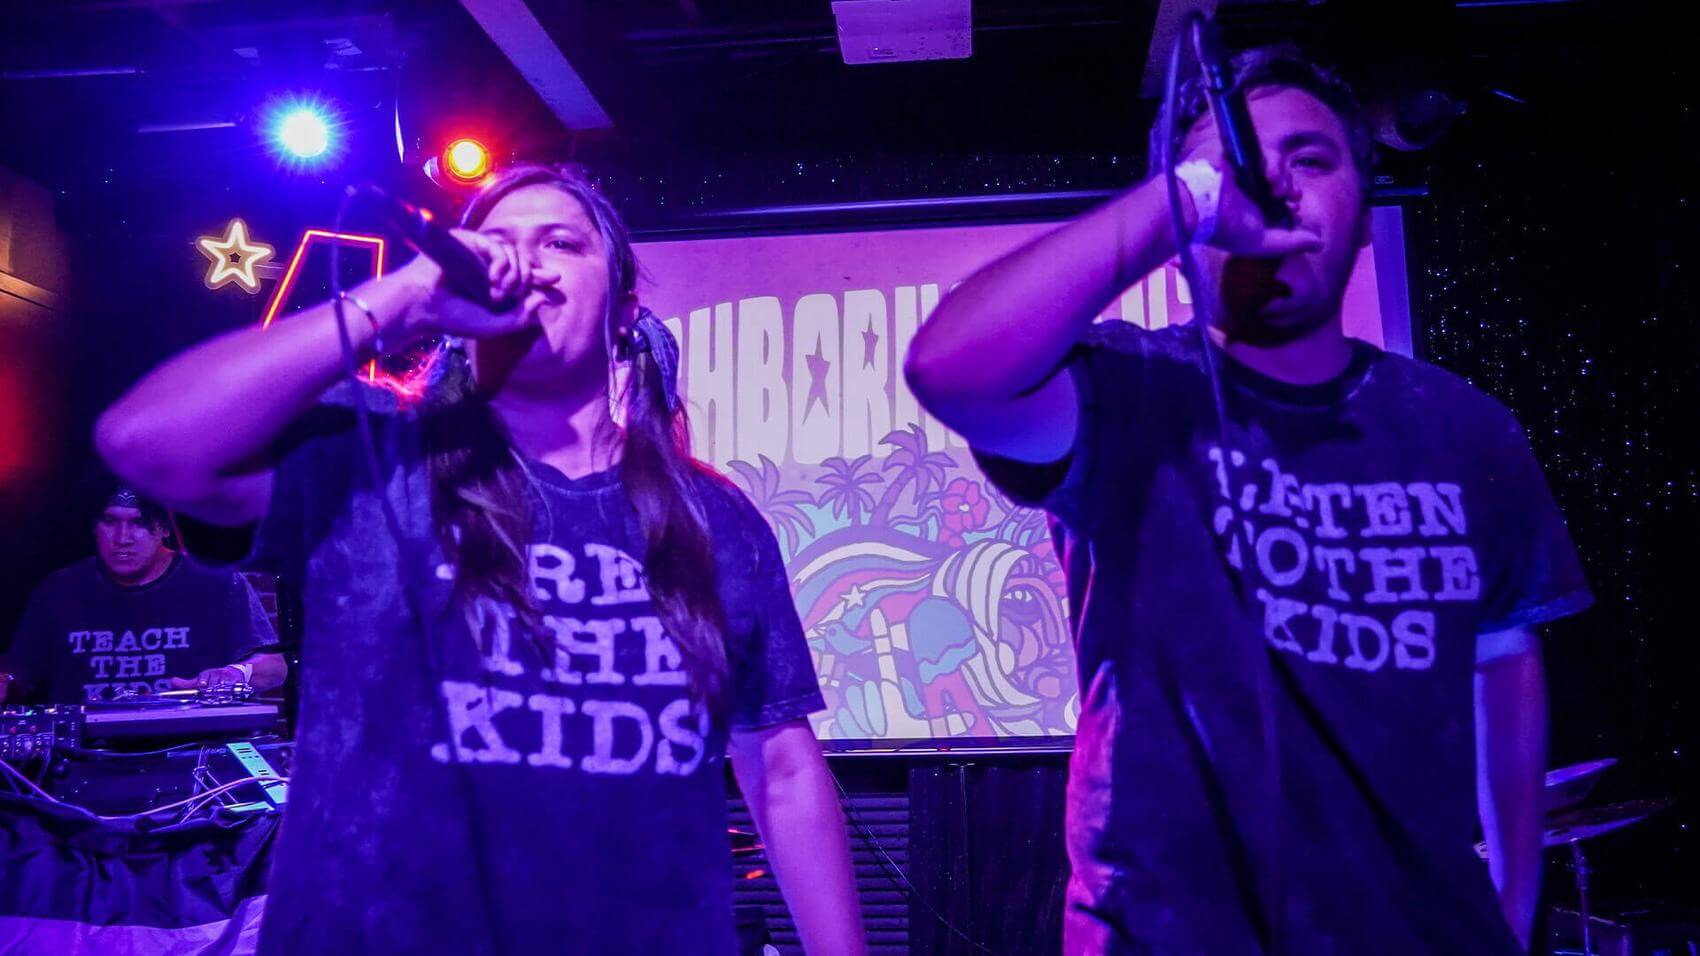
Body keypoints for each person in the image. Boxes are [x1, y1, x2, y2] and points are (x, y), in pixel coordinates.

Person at [904, 46, 1590, 955]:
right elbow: (949, 369)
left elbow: (1505, 661)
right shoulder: (1126, 390)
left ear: (1364, 199)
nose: (1276, 187)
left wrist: (1511, 903)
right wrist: (1187, 194)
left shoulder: (1468, 431)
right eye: (1237, 165)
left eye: (1311, 160)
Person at [95, 163, 865, 954]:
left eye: (560, 243)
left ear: (626, 312)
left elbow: (782, 773)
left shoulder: (712, 518)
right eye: (495, 242)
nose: (523, 262)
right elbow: (144, 444)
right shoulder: (372, 455)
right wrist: (398, 301)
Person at [0, 488, 284, 704]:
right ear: (94, 527)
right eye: (110, 522)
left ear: (163, 528)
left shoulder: (217, 582)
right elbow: (20, 676)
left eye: (137, 523)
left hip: (191, 753)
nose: (123, 537)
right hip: (85, 761)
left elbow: (274, 667)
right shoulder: (60, 590)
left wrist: (236, 674)